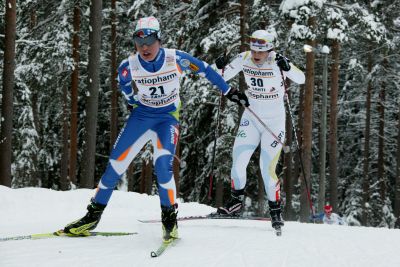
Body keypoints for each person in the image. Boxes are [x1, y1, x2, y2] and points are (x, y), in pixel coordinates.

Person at [63, 16, 249, 243]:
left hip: (167, 120)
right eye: (138, 41)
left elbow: (206, 70)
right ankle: (92, 217)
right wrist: (132, 101)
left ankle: (169, 219)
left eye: (150, 41)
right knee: (115, 165)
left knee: (163, 165)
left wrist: (229, 91)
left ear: (159, 40)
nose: (144, 47)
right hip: (141, 117)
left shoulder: (175, 59)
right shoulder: (129, 65)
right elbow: (123, 84)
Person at [214, 30, 305, 231]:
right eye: (253, 50)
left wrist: (288, 67)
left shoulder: (277, 60)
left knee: (267, 168)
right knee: (238, 160)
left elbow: (302, 78)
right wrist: (218, 65)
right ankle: (235, 203)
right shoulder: (244, 58)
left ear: (270, 50)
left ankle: (275, 210)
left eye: (260, 52)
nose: (256, 55)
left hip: (274, 121)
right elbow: (218, 76)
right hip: (252, 116)